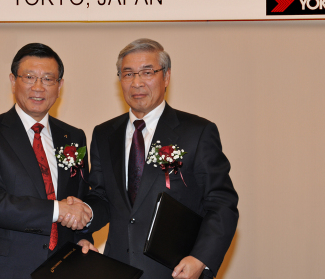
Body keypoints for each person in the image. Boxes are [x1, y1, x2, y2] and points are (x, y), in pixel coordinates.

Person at [83, 38, 238, 279]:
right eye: (128, 74)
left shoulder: (196, 132)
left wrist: (200, 259)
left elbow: (222, 203)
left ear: (166, 77)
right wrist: (83, 217)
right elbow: (101, 196)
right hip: (117, 269)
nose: (137, 82)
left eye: (147, 72)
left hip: (176, 271)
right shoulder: (104, 134)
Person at [0, 43, 96, 279]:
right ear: (13, 81)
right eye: (29, 77)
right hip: (5, 270)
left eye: (48, 79)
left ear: (60, 85)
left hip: (63, 268)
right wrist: (58, 209)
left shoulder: (74, 137)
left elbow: (79, 197)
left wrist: (84, 237)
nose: (38, 87)